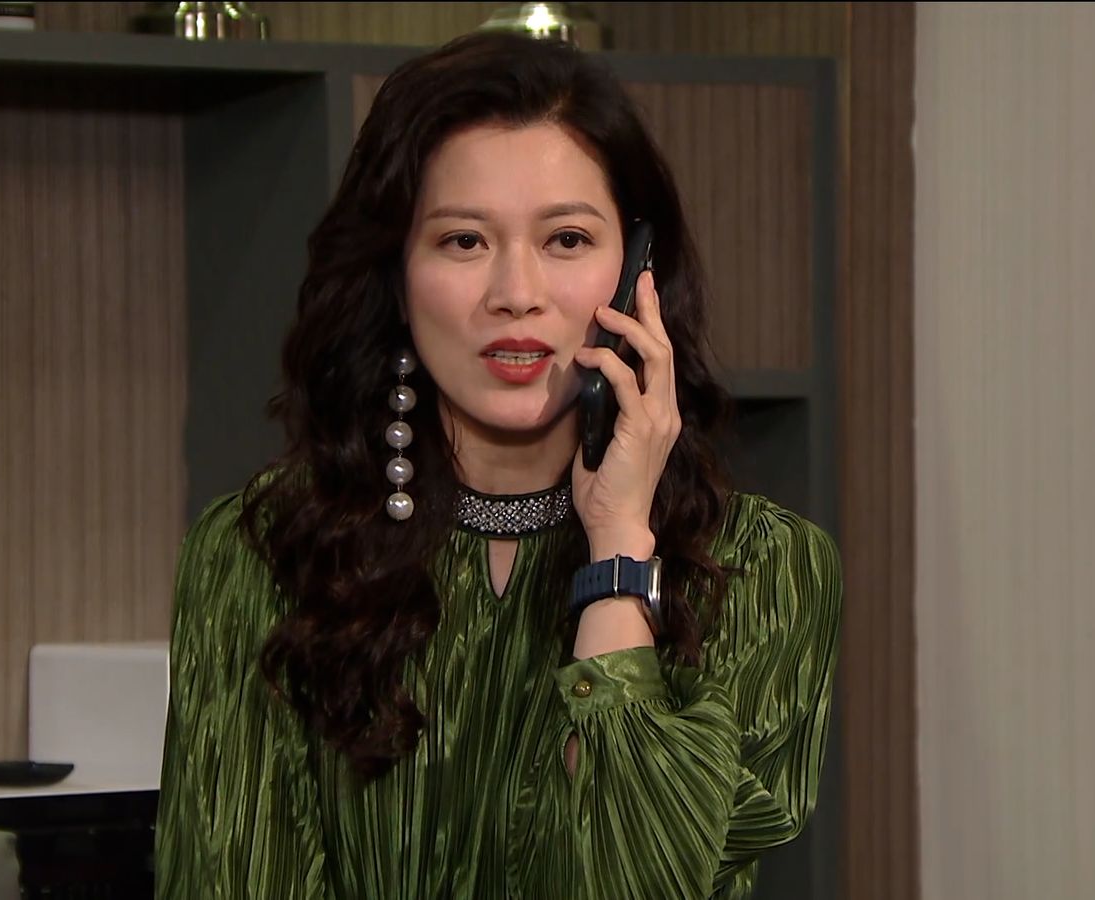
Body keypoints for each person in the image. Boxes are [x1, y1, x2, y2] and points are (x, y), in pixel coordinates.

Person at [155, 29, 842, 900]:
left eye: (566, 239)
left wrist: (618, 554)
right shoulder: (257, 558)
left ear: (637, 272)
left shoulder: (764, 573)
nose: (516, 294)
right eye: (464, 241)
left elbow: (638, 881)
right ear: (395, 273)